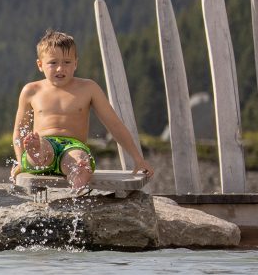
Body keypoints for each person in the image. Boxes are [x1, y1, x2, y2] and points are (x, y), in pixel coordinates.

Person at [10, 30, 153, 188]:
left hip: (73, 146)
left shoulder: (88, 88)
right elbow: (19, 129)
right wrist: (19, 160)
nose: (60, 68)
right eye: (53, 63)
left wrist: (138, 159)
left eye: (67, 62)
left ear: (76, 63)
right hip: (45, 141)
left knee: (79, 159)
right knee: (42, 147)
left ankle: (77, 181)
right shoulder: (31, 90)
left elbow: (114, 125)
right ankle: (35, 152)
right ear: (40, 65)